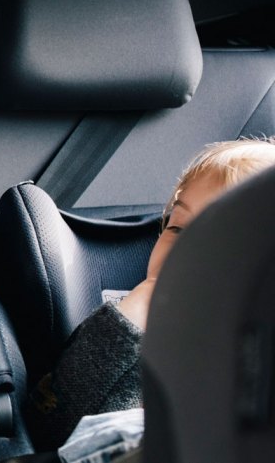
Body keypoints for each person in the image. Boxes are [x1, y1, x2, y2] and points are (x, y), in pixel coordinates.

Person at [26, 137, 275, 452]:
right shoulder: (124, 325)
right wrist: (123, 328)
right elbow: (51, 426)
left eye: (226, 242)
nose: (187, 253)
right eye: (177, 229)